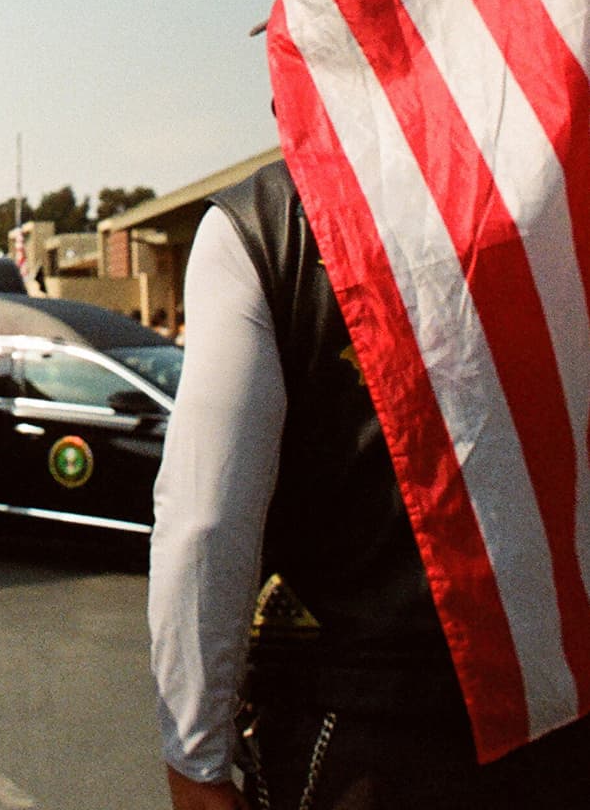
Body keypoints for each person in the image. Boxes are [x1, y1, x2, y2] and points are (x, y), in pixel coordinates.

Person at [148, 157, 590, 810]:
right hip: (562, 710)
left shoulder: (261, 221)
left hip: (358, 728)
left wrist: (194, 758)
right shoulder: (561, 188)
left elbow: (207, 522)